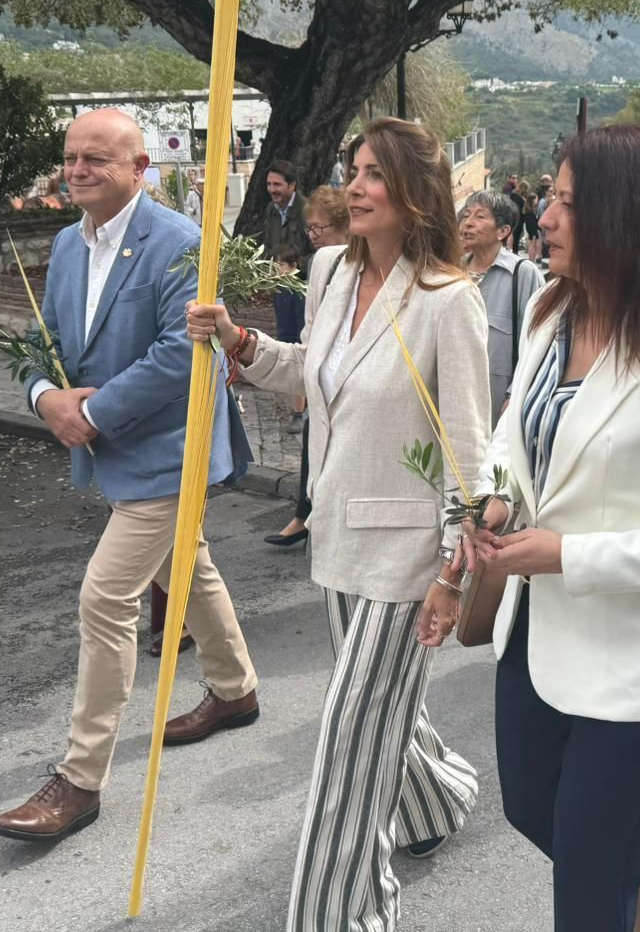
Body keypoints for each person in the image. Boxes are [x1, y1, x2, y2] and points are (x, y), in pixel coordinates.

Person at [452, 124, 640, 932]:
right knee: (528, 812)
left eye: (566, 203)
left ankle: (629, 888)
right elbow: (517, 443)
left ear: (628, 218)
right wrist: (493, 501)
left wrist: (565, 554)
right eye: (550, 198)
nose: (544, 217)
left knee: (587, 888)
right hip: (537, 632)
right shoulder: (551, 316)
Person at [188, 117, 488, 932]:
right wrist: (242, 342)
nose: (353, 187)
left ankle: (342, 916)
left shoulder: (446, 302)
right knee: (380, 709)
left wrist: (454, 572)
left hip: (410, 556)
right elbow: (309, 376)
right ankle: (437, 802)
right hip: (337, 534)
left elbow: (470, 451)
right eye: (352, 171)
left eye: (373, 175)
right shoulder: (327, 271)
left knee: (350, 741)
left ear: (414, 193)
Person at [0, 109, 259, 845]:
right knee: (189, 566)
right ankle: (235, 692)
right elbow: (43, 342)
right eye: (71, 158)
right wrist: (45, 398)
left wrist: (97, 412)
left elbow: (184, 352)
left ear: (140, 169)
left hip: (172, 450)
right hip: (109, 443)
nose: (77, 170)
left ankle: (78, 780)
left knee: (106, 597)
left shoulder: (181, 244)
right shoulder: (65, 246)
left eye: (97, 160)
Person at [266, 187, 351, 550]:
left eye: (321, 229)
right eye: (310, 229)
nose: (313, 237)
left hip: (350, 381)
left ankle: (318, 516)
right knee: (312, 441)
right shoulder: (322, 266)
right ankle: (305, 514)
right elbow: (309, 339)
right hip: (321, 376)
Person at [459, 190, 546, 426]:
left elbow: (538, 346)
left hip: (499, 415)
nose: (467, 223)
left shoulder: (523, 275)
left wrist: (514, 397)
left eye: (479, 217)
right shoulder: (451, 274)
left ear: (503, 231)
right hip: (454, 413)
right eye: (466, 215)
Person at [263, 158, 312, 344]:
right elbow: (269, 244)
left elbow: (320, 250)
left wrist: (295, 268)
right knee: (284, 336)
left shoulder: (306, 211)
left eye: (277, 184)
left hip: (302, 287)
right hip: (280, 287)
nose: (272, 189)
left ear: (292, 185)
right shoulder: (271, 210)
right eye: (269, 184)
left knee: (303, 336)